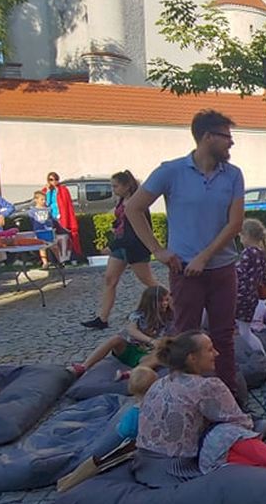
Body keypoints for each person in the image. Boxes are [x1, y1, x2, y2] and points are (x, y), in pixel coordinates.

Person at [125, 109, 247, 406]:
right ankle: (183, 399)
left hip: (221, 269)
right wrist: (159, 251)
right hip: (184, 272)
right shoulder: (171, 171)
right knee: (185, 338)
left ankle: (227, 398)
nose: (231, 144)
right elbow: (134, 208)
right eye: (226, 137)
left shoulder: (233, 175)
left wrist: (204, 258)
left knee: (223, 337)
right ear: (207, 137)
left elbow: (235, 224)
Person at [134, 330, 266, 490]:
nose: (217, 353)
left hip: (145, 466)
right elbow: (240, 422)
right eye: (209, 349)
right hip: (179, 468)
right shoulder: (206, 386)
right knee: (230, 434)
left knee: (223, 441)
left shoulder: (159, 383)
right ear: (192, 358)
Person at [81, 171, 159, 330]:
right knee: (110, 280)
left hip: (135, 247)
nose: (113, 189)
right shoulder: (122, 200)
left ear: (127, 186)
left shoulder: (138, 202)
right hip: (120, 245)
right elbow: (121, 222)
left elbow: (136, 232)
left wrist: (111, 246)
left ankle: (172, 301)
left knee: (149, 281)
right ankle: (102, 318)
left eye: (116, 186)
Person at [68, 285, 174, 377]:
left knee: (158, 357)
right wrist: (151, 340)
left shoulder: (169, 318)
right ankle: (83, 367)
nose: (165, 303)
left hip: (145, 356)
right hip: (129, 349)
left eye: (166, 300)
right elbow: (131, 330)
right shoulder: (139, 315)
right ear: (150, 302)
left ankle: (130, 374)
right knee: (116, 338)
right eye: (161, 301)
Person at [235, 218, 266, 359]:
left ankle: (263, 359)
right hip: (251, 299)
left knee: (243, 332)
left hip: (240, 298)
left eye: (241, 236)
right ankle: (264, 359)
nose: (241, 240)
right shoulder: (261, 254)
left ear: (248, 235)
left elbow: (238, 273)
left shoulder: (248, 253)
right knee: (245, 332)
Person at [44, 172, 82, 261]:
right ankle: (54, 258)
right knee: (52, 239)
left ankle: (65, 257)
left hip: (61, 217)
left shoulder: (63, 190)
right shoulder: (46, 191)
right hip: (51, 217)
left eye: (55, 179)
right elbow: (45, 203)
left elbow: (68, 205)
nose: (53, 182)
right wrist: (48, 191)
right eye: (51, 180)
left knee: (63, 237)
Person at [116, 366, 159, 440]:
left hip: (139, 441)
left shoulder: (133, 414)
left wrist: (118, 426)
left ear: (131, 389)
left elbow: (124, 431)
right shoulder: (162, 404)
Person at [27, 190, 65, 268]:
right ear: (36, 200)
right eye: (42, 199)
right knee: (42, 247)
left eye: (45, 199)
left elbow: (51, 218)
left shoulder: (48, 209)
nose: (44, 201)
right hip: (39, 231)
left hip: (49, 230)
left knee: (54, 246)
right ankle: (45, 262)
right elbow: (32, 221)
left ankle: (59, 261)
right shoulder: (32, 211)